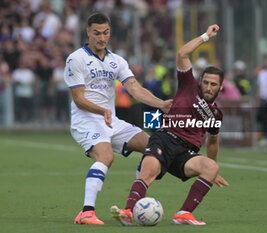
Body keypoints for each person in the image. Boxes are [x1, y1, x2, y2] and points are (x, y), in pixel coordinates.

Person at [110, 24, 229, 226]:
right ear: (200, 81)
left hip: (185, 153)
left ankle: (183, 214)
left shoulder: (216, 114)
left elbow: (212, 142)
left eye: (213, 84)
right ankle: (128, 212)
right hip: (165, 139)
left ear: (221, 87)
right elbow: (182, 54)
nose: (208, 87)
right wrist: (206, 36)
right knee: (148, 173)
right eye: (206, 82)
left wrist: (212, 169)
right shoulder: (188, 85)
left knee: (211, 166)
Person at [63, 12, 172, 225]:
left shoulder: (117, 61)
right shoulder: (76, 59)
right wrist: (101, 110)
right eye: (96, 33)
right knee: (105, 156)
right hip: (85, 119)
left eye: (105, 33)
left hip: (110, 120)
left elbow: (135, 89)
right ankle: (86, 212)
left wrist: (161, 104)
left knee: (152, 146)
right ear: (88, 32)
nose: (102, 38)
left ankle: (131, 207)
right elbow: (78, 99)